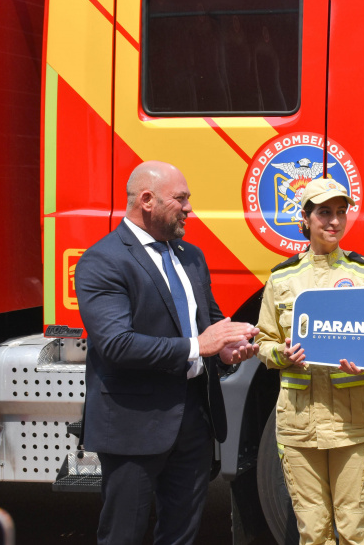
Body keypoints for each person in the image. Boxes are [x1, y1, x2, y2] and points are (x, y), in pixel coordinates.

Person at [75, 160, 259, 545]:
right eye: (181, 199)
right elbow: (116, 344)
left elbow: (210, 324)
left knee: (181, 535)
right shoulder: (103, 260)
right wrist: (199, 346)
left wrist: (228, 349)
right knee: (123, 535)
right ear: (147, 200)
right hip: (133, 425)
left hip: (194, 420)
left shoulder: (191, 256)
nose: (189, 208)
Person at [255, 178, 364, 545]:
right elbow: (263, 341)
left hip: (354, 426)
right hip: (300, 426)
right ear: (305, 218)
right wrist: (280, 354)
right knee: (313, 534)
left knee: (356, 532)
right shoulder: (281, 278)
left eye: (341, 212)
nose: (335, 221)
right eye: (324, 212)